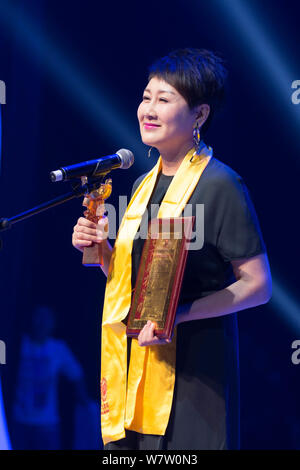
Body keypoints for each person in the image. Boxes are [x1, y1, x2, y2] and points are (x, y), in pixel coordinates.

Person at [72, 48, 272, 450]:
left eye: (164, 99)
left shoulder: (220, 185)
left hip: (196, 376)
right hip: (136, 370)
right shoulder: (142, 184)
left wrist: (177, 316)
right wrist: (104, 251)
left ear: (199, 115)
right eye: (146, 97)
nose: (148, 108)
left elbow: (258, 286)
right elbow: (141, 283)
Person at [11, 305, 88, 450]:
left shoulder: (57, 348)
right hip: (20, 419)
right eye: (38, 317)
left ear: (53, 323)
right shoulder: (20, 344)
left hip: (47, 423)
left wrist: (83, 399)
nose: (42, 322)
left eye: (46, 318)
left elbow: (76, 374)